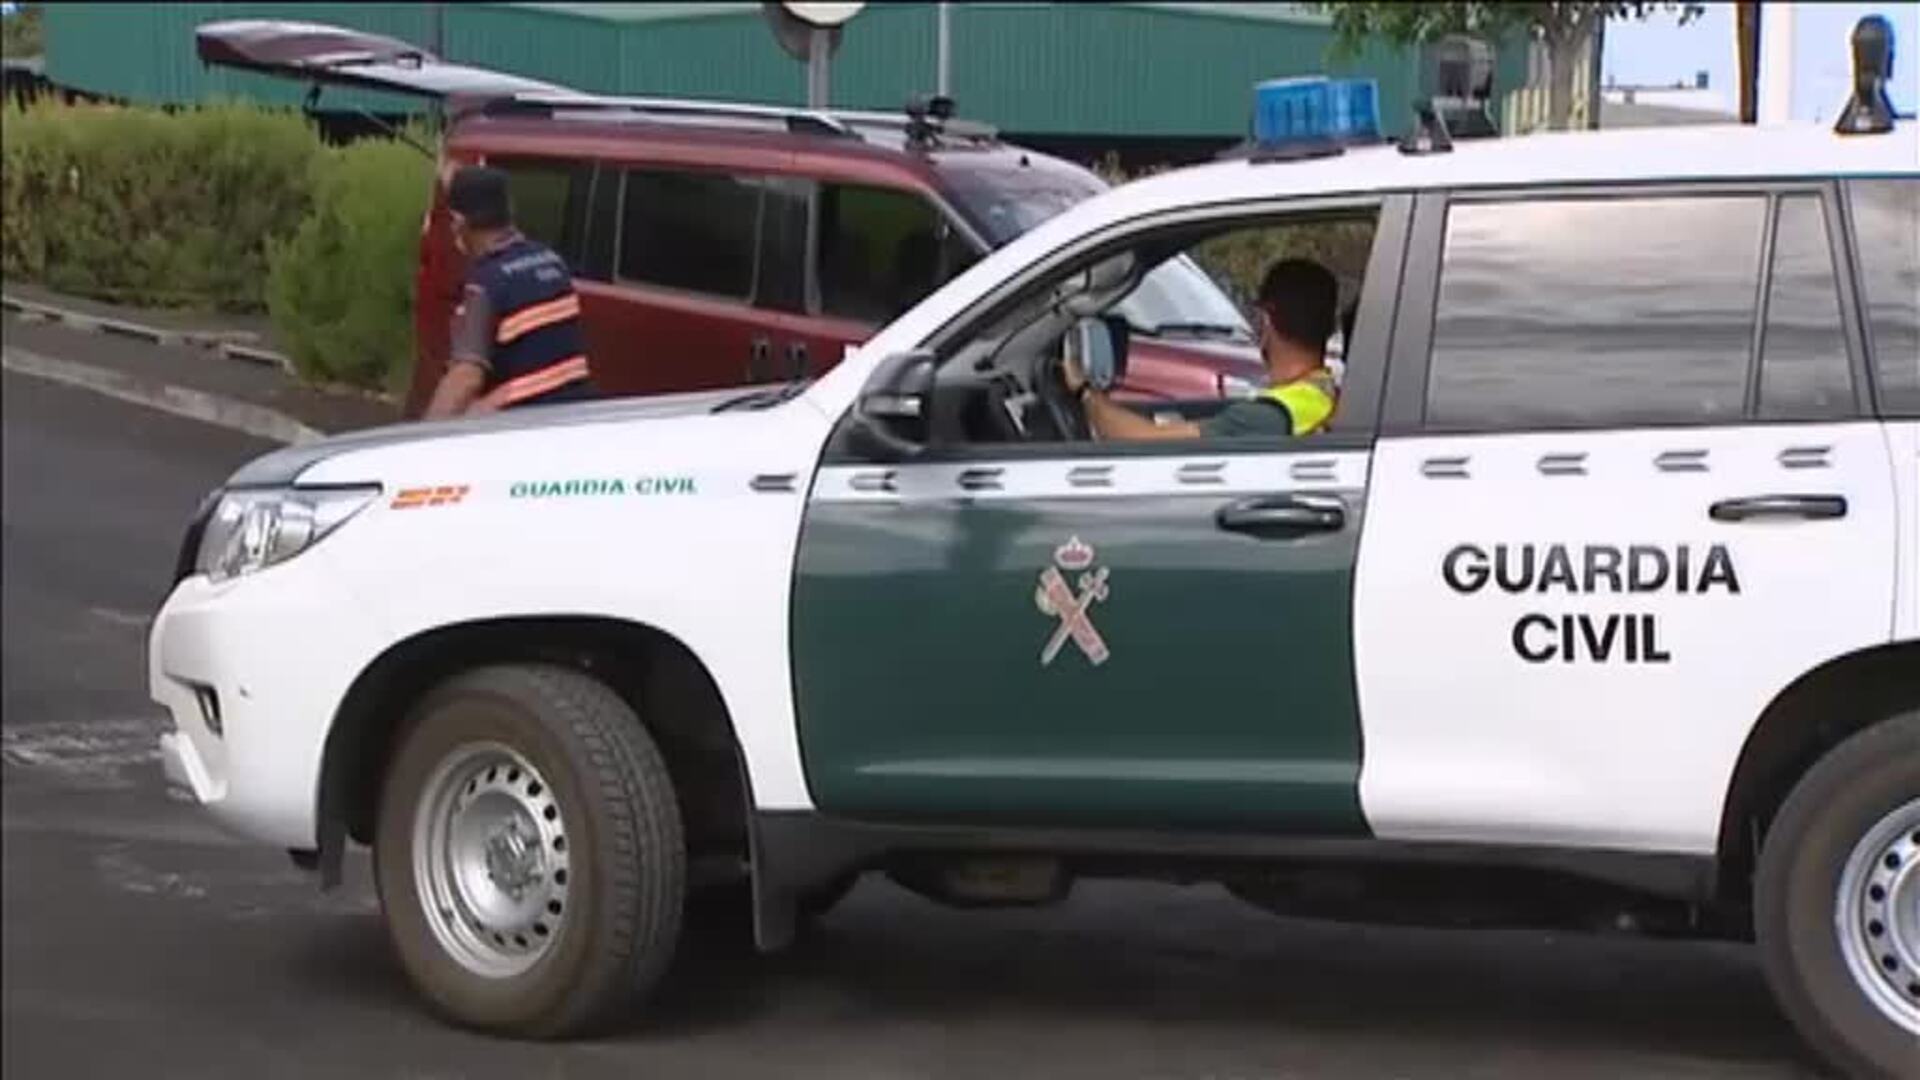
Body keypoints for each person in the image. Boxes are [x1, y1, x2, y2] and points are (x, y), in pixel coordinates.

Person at [1069, 258, 1341, 441]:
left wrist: (1085, 393)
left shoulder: (1266, 417)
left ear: (1266, 321)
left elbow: (1144, 440)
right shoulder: (1325, 393)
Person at [423, 165, 595, 419]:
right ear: (508, 212)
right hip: (575, 417)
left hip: (523, 429)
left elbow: (465, 378)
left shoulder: (484, 285)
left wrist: (423, 436)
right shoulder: (552, 261)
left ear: (458, 223)